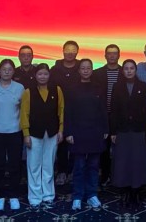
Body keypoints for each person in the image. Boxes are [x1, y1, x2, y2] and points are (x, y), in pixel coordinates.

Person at [64, 59, 109, 211]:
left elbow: (103, 110)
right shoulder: (72, 88)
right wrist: (68, 132)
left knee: (94, 166)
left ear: (91, 70)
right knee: (79, 166)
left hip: (95, 131)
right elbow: (68, 111)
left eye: (88, 68)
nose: (85, 70)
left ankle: (92, 194)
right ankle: (77, 196)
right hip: (78, 132)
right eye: (83, 68)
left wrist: (105, 129)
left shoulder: (98, 88)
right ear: (79, 70)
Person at [20, 63, 65, 209]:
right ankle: (34, 197)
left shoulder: (57, 90)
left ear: (49, 75)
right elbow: (24, 114)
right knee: (33, 166)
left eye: (45, 74)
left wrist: (61, 130)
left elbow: (61, 111)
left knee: (48, 165)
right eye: (40, 74)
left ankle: (48, 195)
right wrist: (26, 134)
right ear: (35, 75)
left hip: (52, 132)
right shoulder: (28, 92)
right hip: (34, 133)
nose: (42, 76)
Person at [110, 59, 146, 206]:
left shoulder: (143, 86)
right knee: (123, 161)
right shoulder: (117, 86)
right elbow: (113, 110)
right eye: (126, 68)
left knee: (137, 161)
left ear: (136, 70)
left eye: (131, 68)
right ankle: (125, 190)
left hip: (139, 130)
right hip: (122, 130)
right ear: (122, 71)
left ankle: (136, 190)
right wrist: (113, 131)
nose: (129, 71)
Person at [0, 59, 25, 211]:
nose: (7, 72)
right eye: (4, 69)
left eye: (10, 69)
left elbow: (23, 109)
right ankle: (0, 195)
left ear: (13, 71)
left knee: (15, 164)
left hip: (15, 131)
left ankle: (14, 195)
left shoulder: (20, 88)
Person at [50, 40, 81, 186]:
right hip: (58, 110)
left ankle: (74, 170)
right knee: (61, 141)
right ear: (63, 51)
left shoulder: (82, 68)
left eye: (73, 50)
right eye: (67, 50)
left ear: (77, 52)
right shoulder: (54, 69)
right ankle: (62, 171)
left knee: (76, 140)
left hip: (77, 111)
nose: (70, 53)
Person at [92, 44, 122, 186]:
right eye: (109, 53)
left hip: (120, 116)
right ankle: (104, 175)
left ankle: (119, 175)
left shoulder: (125, 71)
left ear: (119, 55)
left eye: (114, 53)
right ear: (105, 55)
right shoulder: (97, 74)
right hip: (102, 116)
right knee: (103, 147)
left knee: (119, 147)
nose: (112, 56)